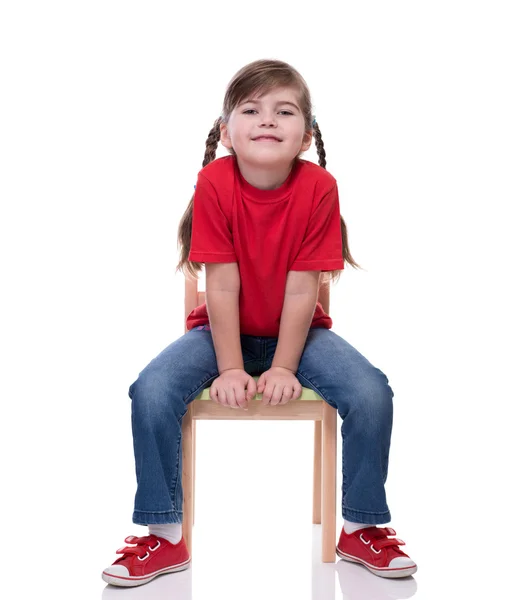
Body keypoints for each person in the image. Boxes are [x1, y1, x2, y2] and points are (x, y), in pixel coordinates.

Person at [102, 58, 417, 587]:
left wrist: (284, 366)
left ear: (306, 135)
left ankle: (361, 526)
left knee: (372, 392)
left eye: (284, 110)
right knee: (150, 390)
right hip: (218, 334)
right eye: (251, 109)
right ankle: (164, 535)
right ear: (226, 132)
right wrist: (229, 368)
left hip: (301, 335)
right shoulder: (215, 182)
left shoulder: (319, 187)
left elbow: (302, 289)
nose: (267, 119)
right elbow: (221, 285)